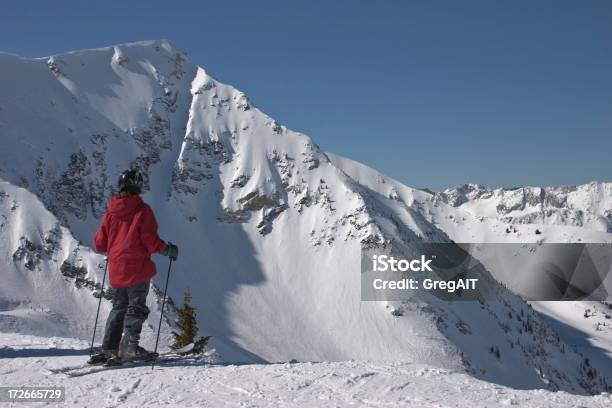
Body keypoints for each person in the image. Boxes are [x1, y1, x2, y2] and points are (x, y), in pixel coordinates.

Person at [90, 169, 178, 363]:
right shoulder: (142, 210)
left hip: (116, 269)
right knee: (136, 307)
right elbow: (150, 241)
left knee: (118, 308)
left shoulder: (111, 212)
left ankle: (109, 348)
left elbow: (99, 243)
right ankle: (129, 347)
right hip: (137, 267)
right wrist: (168, 249)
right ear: (138, 186)